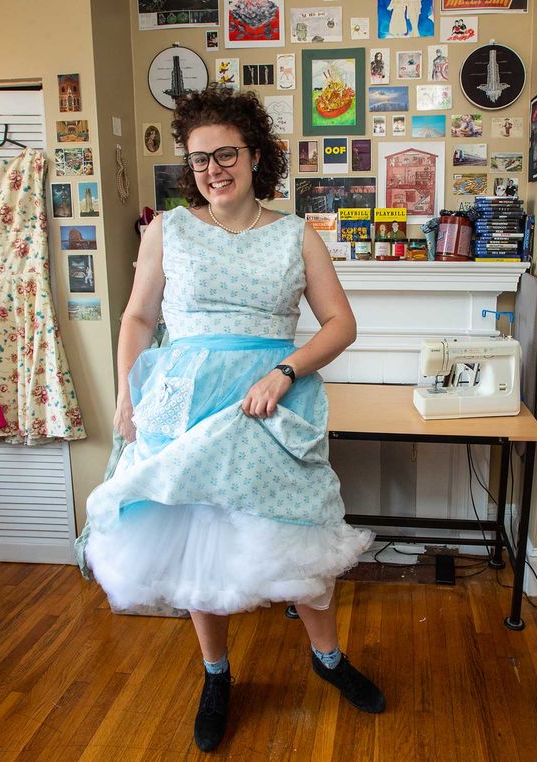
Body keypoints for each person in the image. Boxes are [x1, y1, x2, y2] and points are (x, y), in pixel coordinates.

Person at [79, 85, 384, 753]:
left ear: (255, 156)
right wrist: (128, 397)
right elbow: (137, 317)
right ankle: (216, 674)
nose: (212, 170)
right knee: (200, 541)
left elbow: (341, 324)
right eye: (198, 160)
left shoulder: (295, 235)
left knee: (298, 537)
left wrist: (286, 371)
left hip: (270, 404)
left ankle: (327, 658)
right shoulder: (169, 230)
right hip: (182, 406)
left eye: (225, 155)